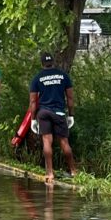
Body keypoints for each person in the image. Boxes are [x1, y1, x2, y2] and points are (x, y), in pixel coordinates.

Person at [29, 52, 77, 184]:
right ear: (53, 62)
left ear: (42, 63)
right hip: (59, 113)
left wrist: (33, 119)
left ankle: (50, 173)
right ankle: (73, 171)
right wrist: (71, 115)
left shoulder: (37, 78)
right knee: (64, 142)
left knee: (46, 141)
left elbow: (33, 102)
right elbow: (70, 98)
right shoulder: (63, 76)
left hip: (43, 112)